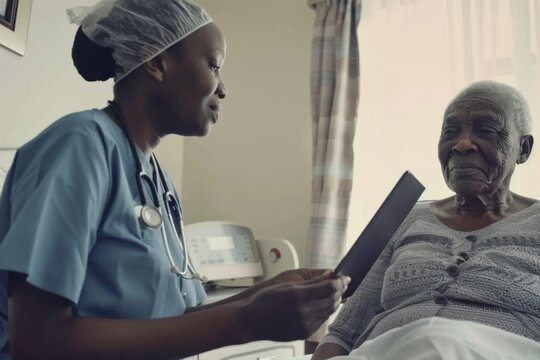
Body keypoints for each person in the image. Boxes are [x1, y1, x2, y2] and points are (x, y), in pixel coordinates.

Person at [0, 1, 350, 359]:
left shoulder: (158, 181)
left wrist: (264, 294)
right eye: (214, 65)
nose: (223, 89)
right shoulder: (78, 147)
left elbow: (173, 319)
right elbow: (37, 341)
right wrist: (245, 320)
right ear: (156, 61)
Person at [313, 80, 540, 360]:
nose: (462, 144)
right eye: (450, 132)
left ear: (524, 149)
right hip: (386, 353)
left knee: (438, 341)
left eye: (486, 131)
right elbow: (345, 331)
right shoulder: (407, 216)